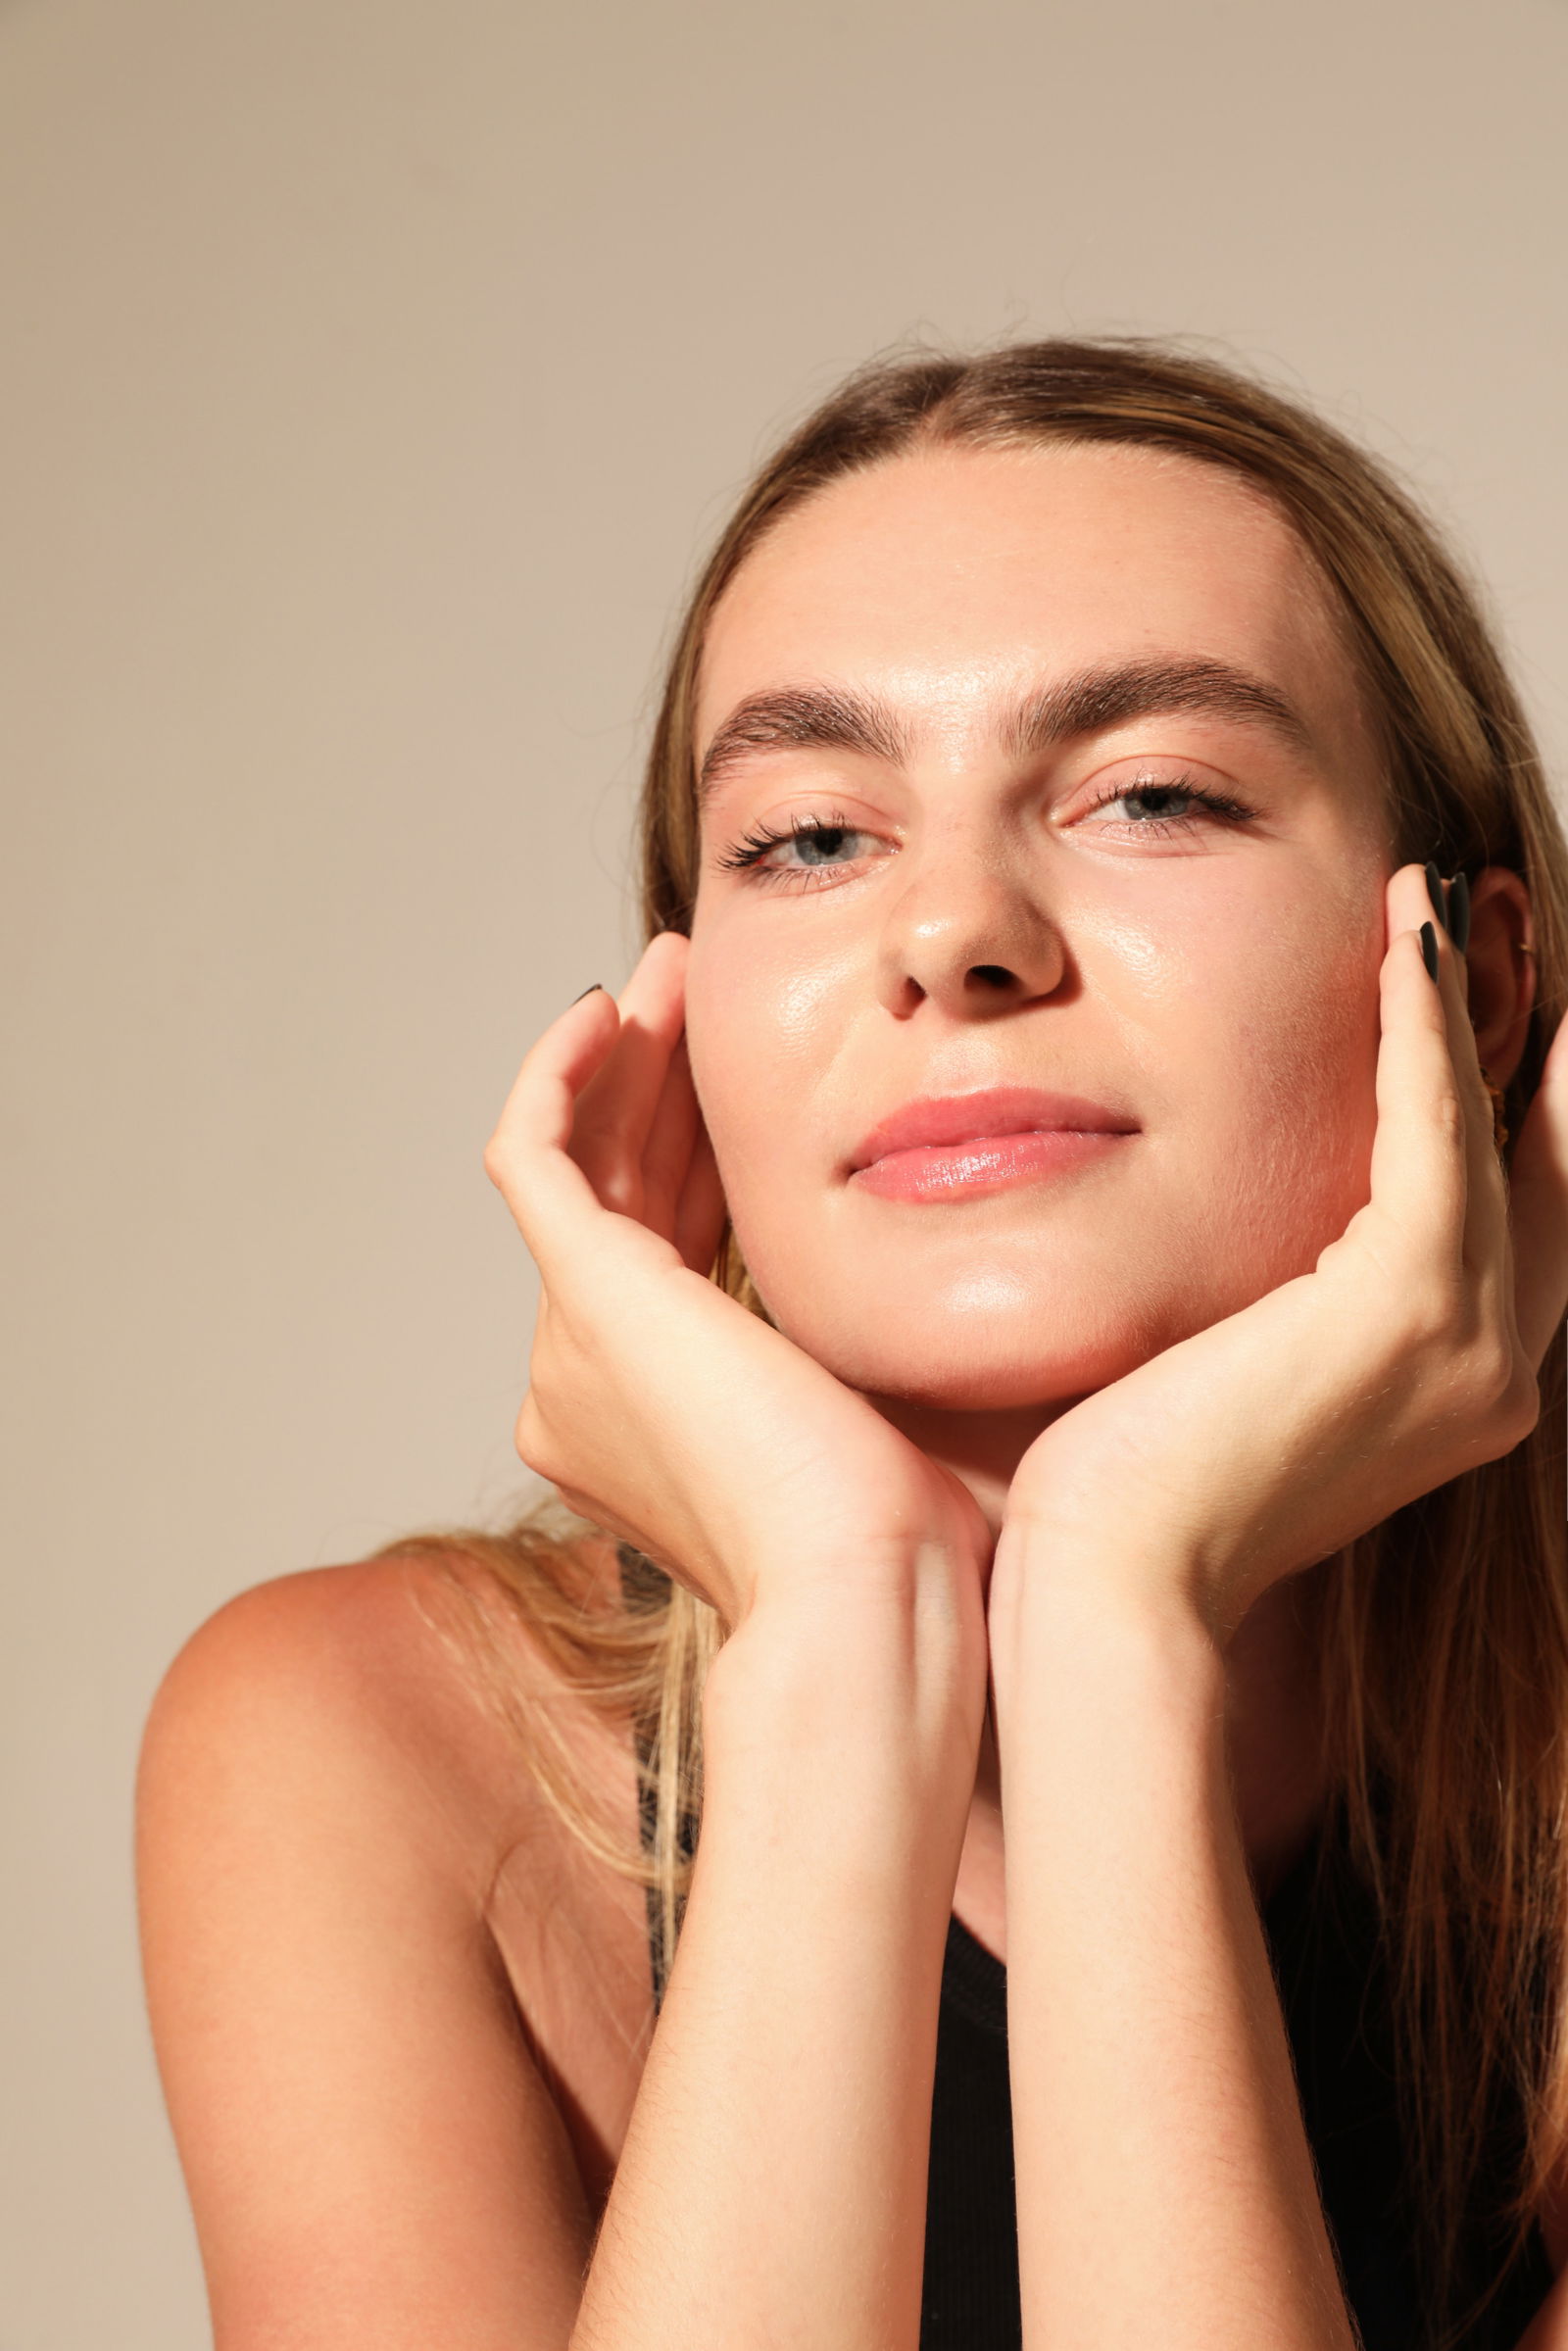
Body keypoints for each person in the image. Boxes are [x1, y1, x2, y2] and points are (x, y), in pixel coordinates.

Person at [136, 338, 1568, 2351]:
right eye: (810, 837)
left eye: (1151, 793)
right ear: (679, 1022)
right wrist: (838, 1634)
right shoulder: (364, 1758)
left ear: (1471, 989)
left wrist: (1107, 1617)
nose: (951, 933)